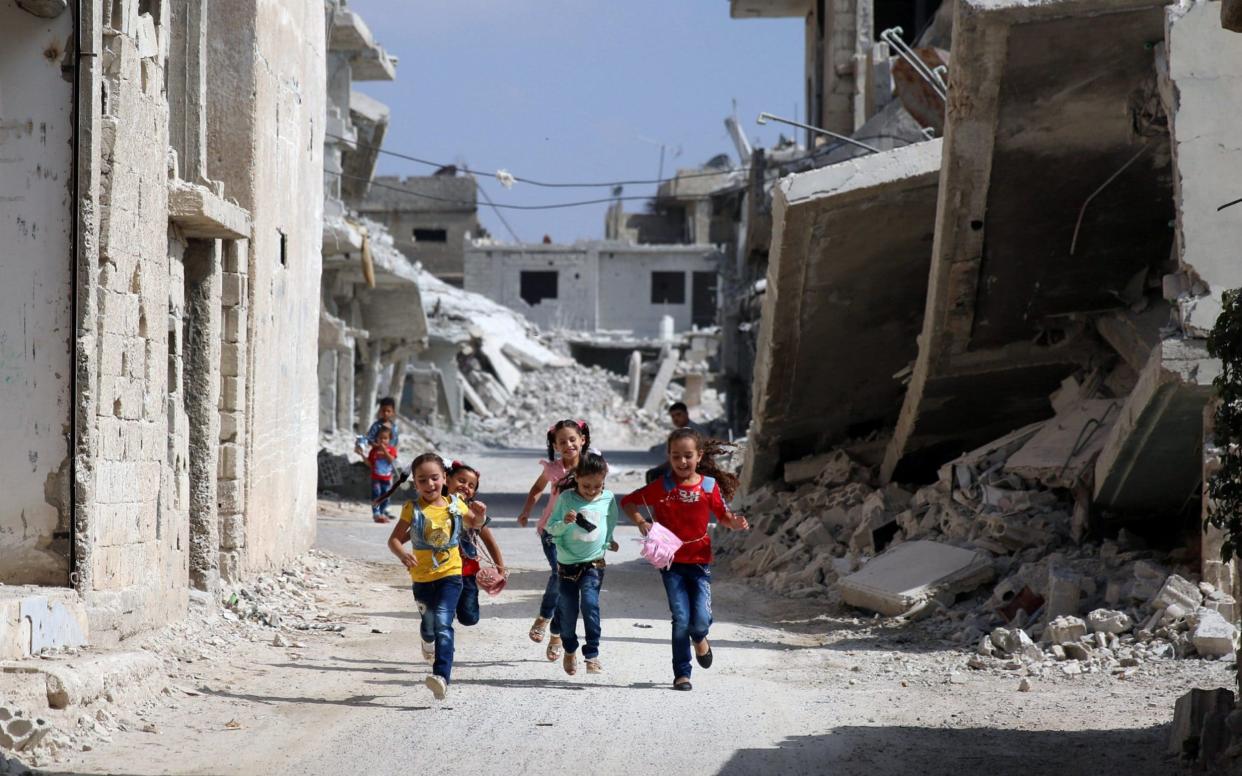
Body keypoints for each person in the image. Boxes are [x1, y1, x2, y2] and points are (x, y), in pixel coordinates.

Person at [621, 429, 749, 691]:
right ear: (668, 456)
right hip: (671, 564)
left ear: (699, 456)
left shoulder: (709, 487)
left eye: (687, 456)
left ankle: (700, 637)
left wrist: (734, 522)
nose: (681, 462)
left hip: (700, 561)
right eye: (676, 456)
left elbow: (723, 516)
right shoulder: (662, 487)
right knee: (680, 617)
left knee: (699, 620)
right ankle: (682, 673)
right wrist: (642, 523)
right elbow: (628, 502)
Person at [386, 453, 466, 700]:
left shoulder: (456, 504)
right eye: (422, 480)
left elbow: (476, 523)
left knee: (443, 622)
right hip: (421, 578)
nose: (429, 484)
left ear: (444, 478)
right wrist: (402, 554)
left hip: (450, 574)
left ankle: (441, 676)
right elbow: (394, 540)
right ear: (415, 483)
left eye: (434, 478)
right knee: (429, 624)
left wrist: (481, 515)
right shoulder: (412, 508)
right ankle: (426, 639)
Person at [516, 419, 590, 661]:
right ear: (555, 446)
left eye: (572, 439)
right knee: (559, 573)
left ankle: (556, 633)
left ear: (583, 440)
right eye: (562, 442)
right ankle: (545, 617)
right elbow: (536, 489)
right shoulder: (553, 470)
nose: (568, 444)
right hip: (551, 530)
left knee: (569, 584)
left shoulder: (591, 468)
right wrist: (527, 510)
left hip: (578, 535)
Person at [545, 451, 620, 676]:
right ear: (576, 477)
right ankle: (569, 649)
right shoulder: (567, 498)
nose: (591, 491)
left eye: (597, 486)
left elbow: (610, 521)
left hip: (594, 563)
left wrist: (609, 541)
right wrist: (565, 523)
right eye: (587, 485)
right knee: (568, 611)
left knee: (590, 604)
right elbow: (551, 527)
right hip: (567, 565)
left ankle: (592, 654)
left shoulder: (608, 498)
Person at [445, 460, 506, 627]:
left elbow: (490, 542)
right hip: (441, 572)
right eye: (462, 481)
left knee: (469, 618)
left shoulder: (474, 514)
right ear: (447, 479)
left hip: (467, 573)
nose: (466, 486)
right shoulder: (434, 506)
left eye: (471, 485)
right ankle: (442, 637)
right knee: (443, 617)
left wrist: (500, 568)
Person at [367, 425, 398, 523]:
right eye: (380, 438)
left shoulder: (391, 449)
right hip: (375, 477)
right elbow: (370, 463)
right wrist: (361, 454)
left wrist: (384, 450)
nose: (382, 440)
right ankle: (376, 513)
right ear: (377, 438)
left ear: (389, 439)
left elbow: (391, 460)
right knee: (376, 493)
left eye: (385, 438)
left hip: (386, 478)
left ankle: (381, 512)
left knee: (385, 495)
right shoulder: (373, 451)